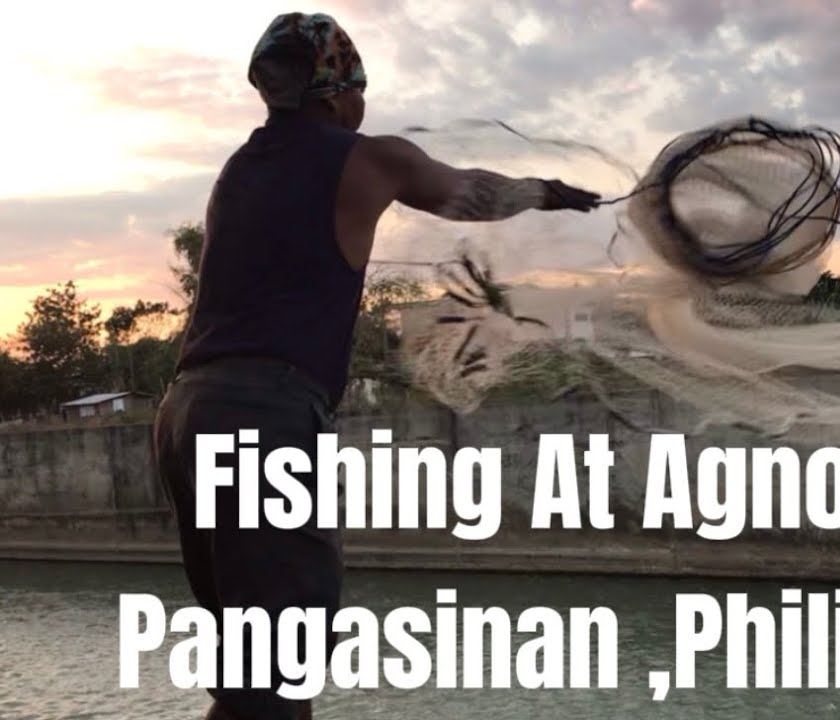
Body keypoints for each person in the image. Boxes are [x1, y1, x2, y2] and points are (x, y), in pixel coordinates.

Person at [151, 11, 599, 720]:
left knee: (251, 673)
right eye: (359, 89)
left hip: (186, 414)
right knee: (278, 675)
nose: (363, 104)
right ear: (335, 93)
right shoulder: (366, 159)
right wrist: (546, 191)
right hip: (263, 421)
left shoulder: (238, 169)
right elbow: (469, 192)